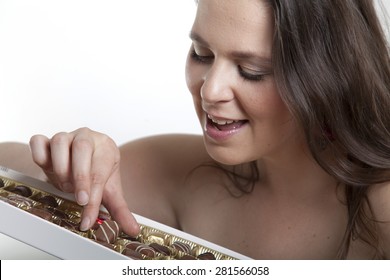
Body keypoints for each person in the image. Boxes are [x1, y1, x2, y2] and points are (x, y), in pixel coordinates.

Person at [1, 0, 390, 259]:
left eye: (252, 71)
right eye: (201, 54)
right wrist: (69, 161)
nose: (210, 90)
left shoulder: (380, 207)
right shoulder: (179, 170)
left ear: (326, 77)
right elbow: (11, 163)